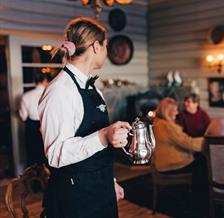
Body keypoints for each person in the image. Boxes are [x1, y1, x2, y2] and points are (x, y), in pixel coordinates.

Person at [38, 17, 131, 218]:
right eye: (106, 46)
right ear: (96, 47)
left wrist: (110, 182)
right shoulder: (60, 91)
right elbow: (55, 154)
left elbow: (98, 150)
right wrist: (103, 136)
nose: (106, 51)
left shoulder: (94, 90)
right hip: (74, 198)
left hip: (100, 188)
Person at [153, 97, 208, 217]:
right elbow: (188, 143)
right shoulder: (167, 127)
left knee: (200, 161)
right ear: (168, 112)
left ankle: (198, 198)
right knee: (203, 163)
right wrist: (208, 140)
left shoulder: (157, 123)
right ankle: (200, 203)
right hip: (171, 165)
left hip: (162, 164)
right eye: (175, 110)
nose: (177, 113)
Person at [19, 72, 50, 166]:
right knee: (47, 154)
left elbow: (23, 117)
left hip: (32, 127)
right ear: (45, 80)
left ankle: (32, 178)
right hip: (47, 125)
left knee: (33, 154)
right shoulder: (50, 94)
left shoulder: (26, 96)